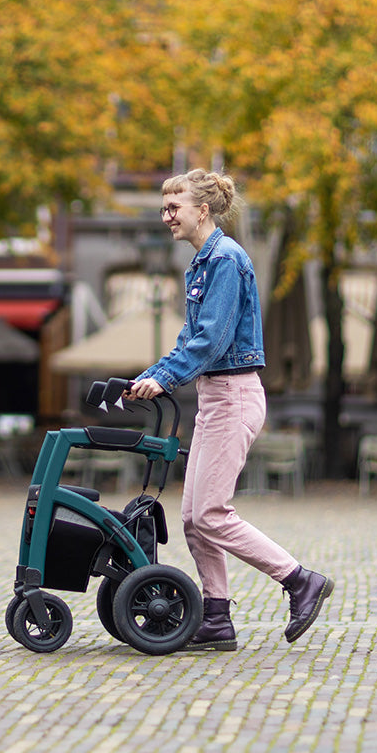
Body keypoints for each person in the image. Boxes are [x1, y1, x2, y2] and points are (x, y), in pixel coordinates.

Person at [129, 168, 333, 651]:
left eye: (173, 207)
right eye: (163, 207)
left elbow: (213, 338)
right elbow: (189, 339)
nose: (166, 216)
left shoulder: (225, 260)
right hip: (213, 397)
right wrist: (150, 375)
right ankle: (216, 618)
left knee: (213, 514)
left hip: (234, 395)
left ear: (201, 210)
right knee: (192, 517)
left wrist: (164, 378)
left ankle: (300, 580)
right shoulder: (201, 263)